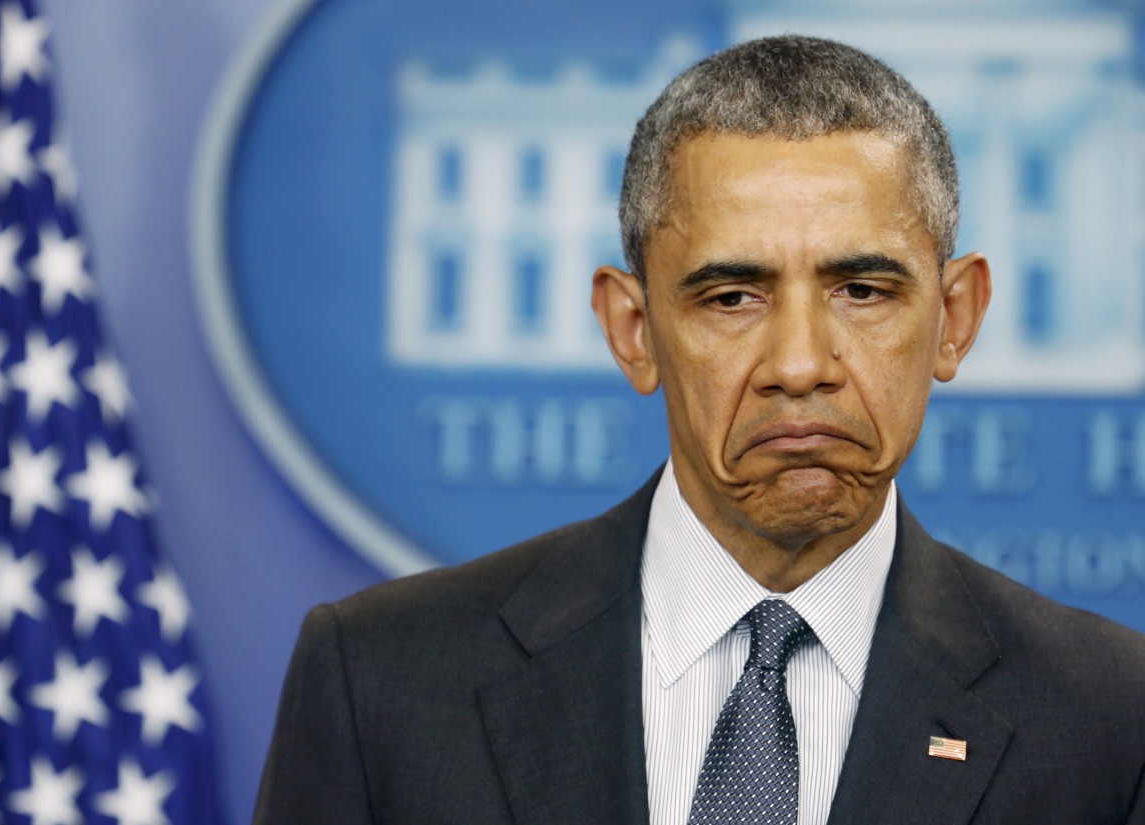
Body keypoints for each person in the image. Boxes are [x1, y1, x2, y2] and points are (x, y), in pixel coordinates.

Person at [253, 36, 1145, 825]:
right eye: (732, 297)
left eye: (862, 291)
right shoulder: (382, 679)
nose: (801, 363)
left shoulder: (1112, 714)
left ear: (955, 317)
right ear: (633, 330)